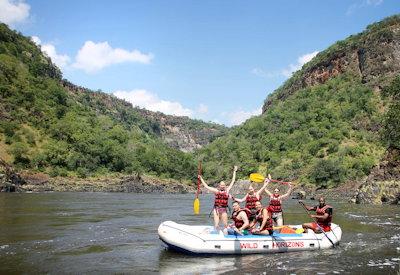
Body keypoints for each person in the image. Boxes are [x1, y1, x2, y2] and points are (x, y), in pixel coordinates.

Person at [199, 165, 238, 231]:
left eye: (223, 185)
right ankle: (216, 233)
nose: (222, 186)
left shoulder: (227, 190)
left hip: (223, 209)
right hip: (216, 209)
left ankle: (228, 232)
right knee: (216, 224)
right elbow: (206, 186)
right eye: (221, 185)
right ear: (219, 186)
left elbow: (233, 181)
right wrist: (201, 178)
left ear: (225, 186)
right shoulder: (216, 191)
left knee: (225, 225)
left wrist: (234, 171)